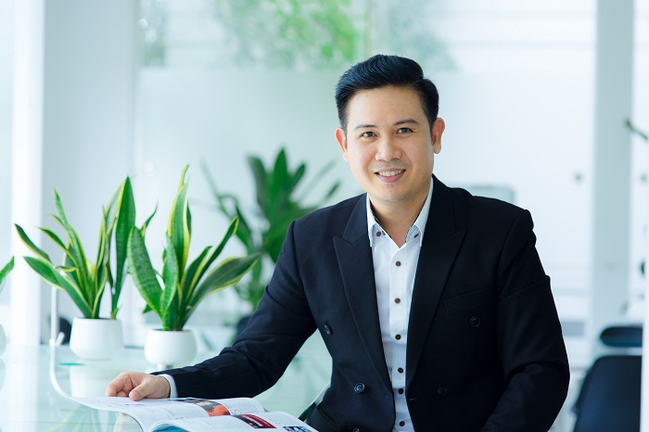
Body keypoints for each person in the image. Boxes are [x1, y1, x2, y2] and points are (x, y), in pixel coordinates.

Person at [107, 54, 569, 431]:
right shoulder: (312, 238)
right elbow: (257, 357)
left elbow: (540, 370)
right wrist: (168, 384)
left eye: (404, 130)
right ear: (345, 144)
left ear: (436, 134)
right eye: (368, 134)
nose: (386, 151)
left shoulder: (499, 231)